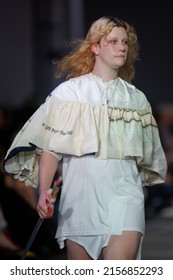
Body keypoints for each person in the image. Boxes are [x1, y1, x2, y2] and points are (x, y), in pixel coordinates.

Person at [3, 16, 167, 260]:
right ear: (95, 47)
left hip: (124, 196)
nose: (122, 47)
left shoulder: (136, 99)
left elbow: (146, 157)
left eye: (124, 42)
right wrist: (44, 192)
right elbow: (50, 148)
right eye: (113, 41)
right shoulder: (69, 93)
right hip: (80, 200)